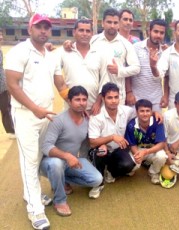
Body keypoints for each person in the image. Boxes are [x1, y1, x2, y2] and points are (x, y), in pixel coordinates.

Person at [5, 13, 68, 229]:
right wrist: (35, 109)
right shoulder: (18, 52)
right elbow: (12, 86)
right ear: (30, 29)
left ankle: (29, 194)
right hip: (25, 115)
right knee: (30, 160)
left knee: (39, 156)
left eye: (46, 27)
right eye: (39, 27)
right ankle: (35, 209)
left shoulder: (51, 55)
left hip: (45, 114)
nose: (43, 31)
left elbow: (60, 85)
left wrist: (77, 104)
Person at [40, 86, 103, 217]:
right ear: (69, 101)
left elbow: (86, 145)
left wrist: (85, 162)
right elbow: (46, 147)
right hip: (51, 162)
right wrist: (66, 155)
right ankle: (60, 200)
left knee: (97, 179)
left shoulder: (87, 119)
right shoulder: (58, 120)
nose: (81, 103)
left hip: (71, 163)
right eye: (77, 99)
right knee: (56, 165)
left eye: (84, 99)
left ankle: (61, 180)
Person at [90, 8, 140, 105]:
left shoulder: (126, 44)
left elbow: (136, 68)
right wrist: (68, 45)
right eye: (109, 22)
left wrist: (119, 71)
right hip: (94, 97)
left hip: (117, 97)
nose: (112, 26)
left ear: (118, 24)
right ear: (103, 23)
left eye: (115, 23)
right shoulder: (93, 41)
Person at [88, 82, 136, 183]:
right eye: (109, 98)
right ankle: (99, 181)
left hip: (119, 149)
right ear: (103, 99)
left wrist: (155, 113)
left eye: (116, 97)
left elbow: (141, 113)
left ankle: (110, 171)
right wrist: (112, 137)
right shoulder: (96, 117)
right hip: (103, 149)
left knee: (129, 165)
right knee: (99, 152)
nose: (113, 101)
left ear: (119, 97)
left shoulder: (127, 111)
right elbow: (92, 142)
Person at [57, 19, 103, 115]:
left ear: (91, 34)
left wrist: (98, 102)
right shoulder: (63, 52)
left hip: (94, 109)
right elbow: (56, 75)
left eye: (88, 31)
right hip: (70, 109)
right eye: (81, 30)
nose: (85, 34)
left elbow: (104, 79)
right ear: (74, 32)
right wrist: (71, 102)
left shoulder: (99, 53)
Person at [126, 19, 169, 112]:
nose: (158, 35)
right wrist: (128, 92)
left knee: (155, 125)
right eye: (156, 31)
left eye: (161, 33)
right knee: (135, 126)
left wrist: (165, 96)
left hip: (156, 101)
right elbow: (128, 71)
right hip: (136, 99)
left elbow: (167, 77)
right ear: (149, 31)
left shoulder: (166, 52)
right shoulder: (136, 48)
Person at [125, 99, 167, 184]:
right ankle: (143, 163)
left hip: (153, 149)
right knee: (130, 167)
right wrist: (138, 156)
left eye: (148, 111)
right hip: (138, 149)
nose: (145, 114)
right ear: (136, 112)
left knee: (162, 156)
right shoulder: (131, 125)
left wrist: (146, 152)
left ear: (151, 112)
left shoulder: (158, 122)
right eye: (142, 111)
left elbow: (161, 143)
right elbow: (132, 145)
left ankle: (153, 172)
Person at [0, 29, 15, 139]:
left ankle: (11, 131)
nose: (1, 37)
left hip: (2, 86)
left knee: (6, 108)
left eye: (1, 34)